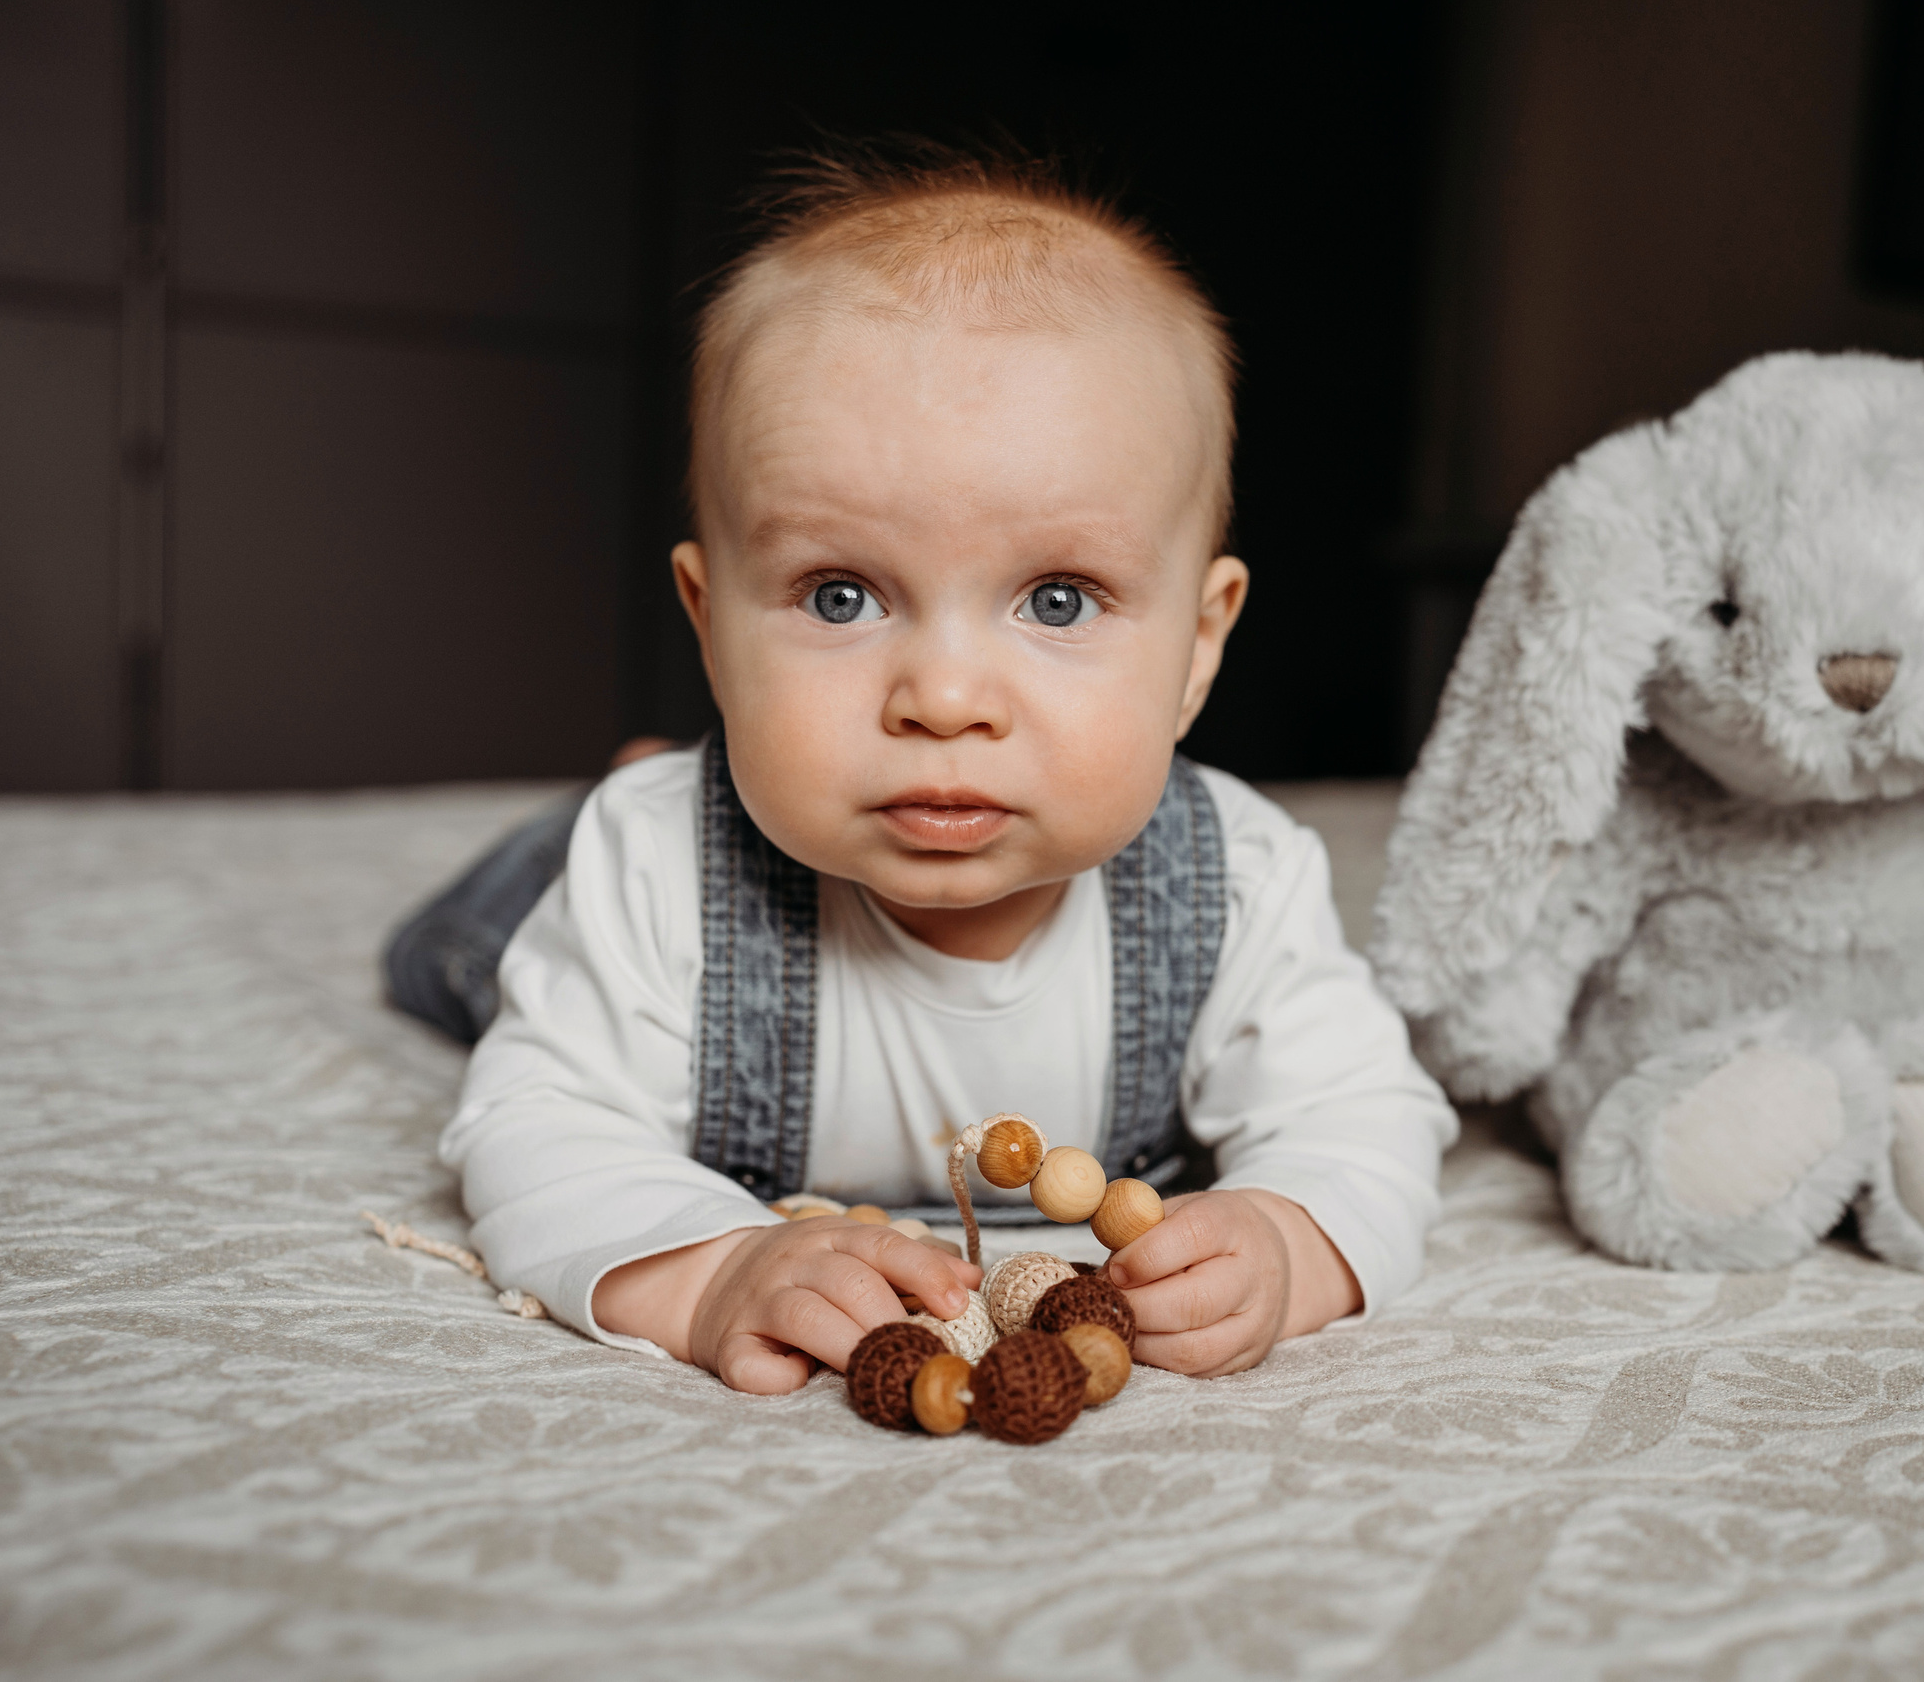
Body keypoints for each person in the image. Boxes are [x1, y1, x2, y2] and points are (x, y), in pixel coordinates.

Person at [409, 141, 1457, 1396]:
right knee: (485, 944)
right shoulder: (653, 871)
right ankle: (635, 776)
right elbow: (538, 1125)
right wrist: (707, 1271)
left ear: (1197, 646)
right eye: (840, 596)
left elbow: (1364, 1117)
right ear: (709, 625)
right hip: (621, 863)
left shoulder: (1236, 881)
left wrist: (1291, 1241)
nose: (945, 700)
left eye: (1058, 601)